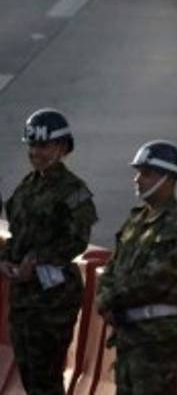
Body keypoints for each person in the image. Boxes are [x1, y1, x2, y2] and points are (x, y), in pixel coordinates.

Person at [0, 110, 97, 395]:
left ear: (62, 147)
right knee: (29, 374)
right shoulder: (27, 187)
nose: (35, 153)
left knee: (46, 378)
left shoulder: (74, 191)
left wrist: (37, 259)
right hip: (24, 298)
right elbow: (17, 235)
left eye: (42, 146)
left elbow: (78, 240)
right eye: (32, 146)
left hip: (53, 301)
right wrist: (5, 260)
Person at [96, 141, 177, 395]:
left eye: (146, 173)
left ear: (168, 178)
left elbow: (155, 278)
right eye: (139, 172)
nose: (137, 180)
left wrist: (110, 299)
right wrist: (104, 299)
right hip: (129, 334)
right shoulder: (137, 220)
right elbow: (113, 265)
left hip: (156, 340)